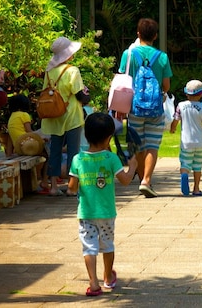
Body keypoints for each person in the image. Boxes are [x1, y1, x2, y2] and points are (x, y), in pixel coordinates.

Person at [67, 112, 138, 297]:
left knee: (88, 247)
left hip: (86, 213)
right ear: (108, 138)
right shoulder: (111, 159)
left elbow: (72, 188)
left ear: (86, 135)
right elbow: (124, 181)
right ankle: (108, 277)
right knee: (107, 245)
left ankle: (93, 282)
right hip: (106, 212)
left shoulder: (78, 159)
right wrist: (133, 167)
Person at [117, 18, 172, 198]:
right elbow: (166, 86)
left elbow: (122, 81)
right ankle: (146, 180)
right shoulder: (162, 57)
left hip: (134, 108)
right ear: (155, 36)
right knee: (152, 147)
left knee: (137, 146)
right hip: (156, 108)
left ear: (138, 33)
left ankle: (141, 178)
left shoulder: (129, 54)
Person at [42, 36, 88, 195]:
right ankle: (71, 186)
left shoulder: (49, 72)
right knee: (73, 152)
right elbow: (79, 94)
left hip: (54, 117)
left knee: (54, 151)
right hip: (72, 117)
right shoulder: (72, 71)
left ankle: (53, 186)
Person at [169, 80, 202, 196]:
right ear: (201, 94)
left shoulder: (181, 106)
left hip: (186, 142)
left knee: (185, 163)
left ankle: (185, 174)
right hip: (199, 141)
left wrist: (172, 129)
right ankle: (196, 189)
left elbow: (175, 121)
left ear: (186, 93)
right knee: (197, 166)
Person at [7, 94, 50, 194]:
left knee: (45, 151)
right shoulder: (24, 115)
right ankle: (44, 181)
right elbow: (29, 132)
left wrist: (9, 154)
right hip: (27, 146)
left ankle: (41, 179)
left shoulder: (11, 117)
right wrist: (42, 137)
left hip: (19, 148)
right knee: (50, 156)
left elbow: (10, 137)